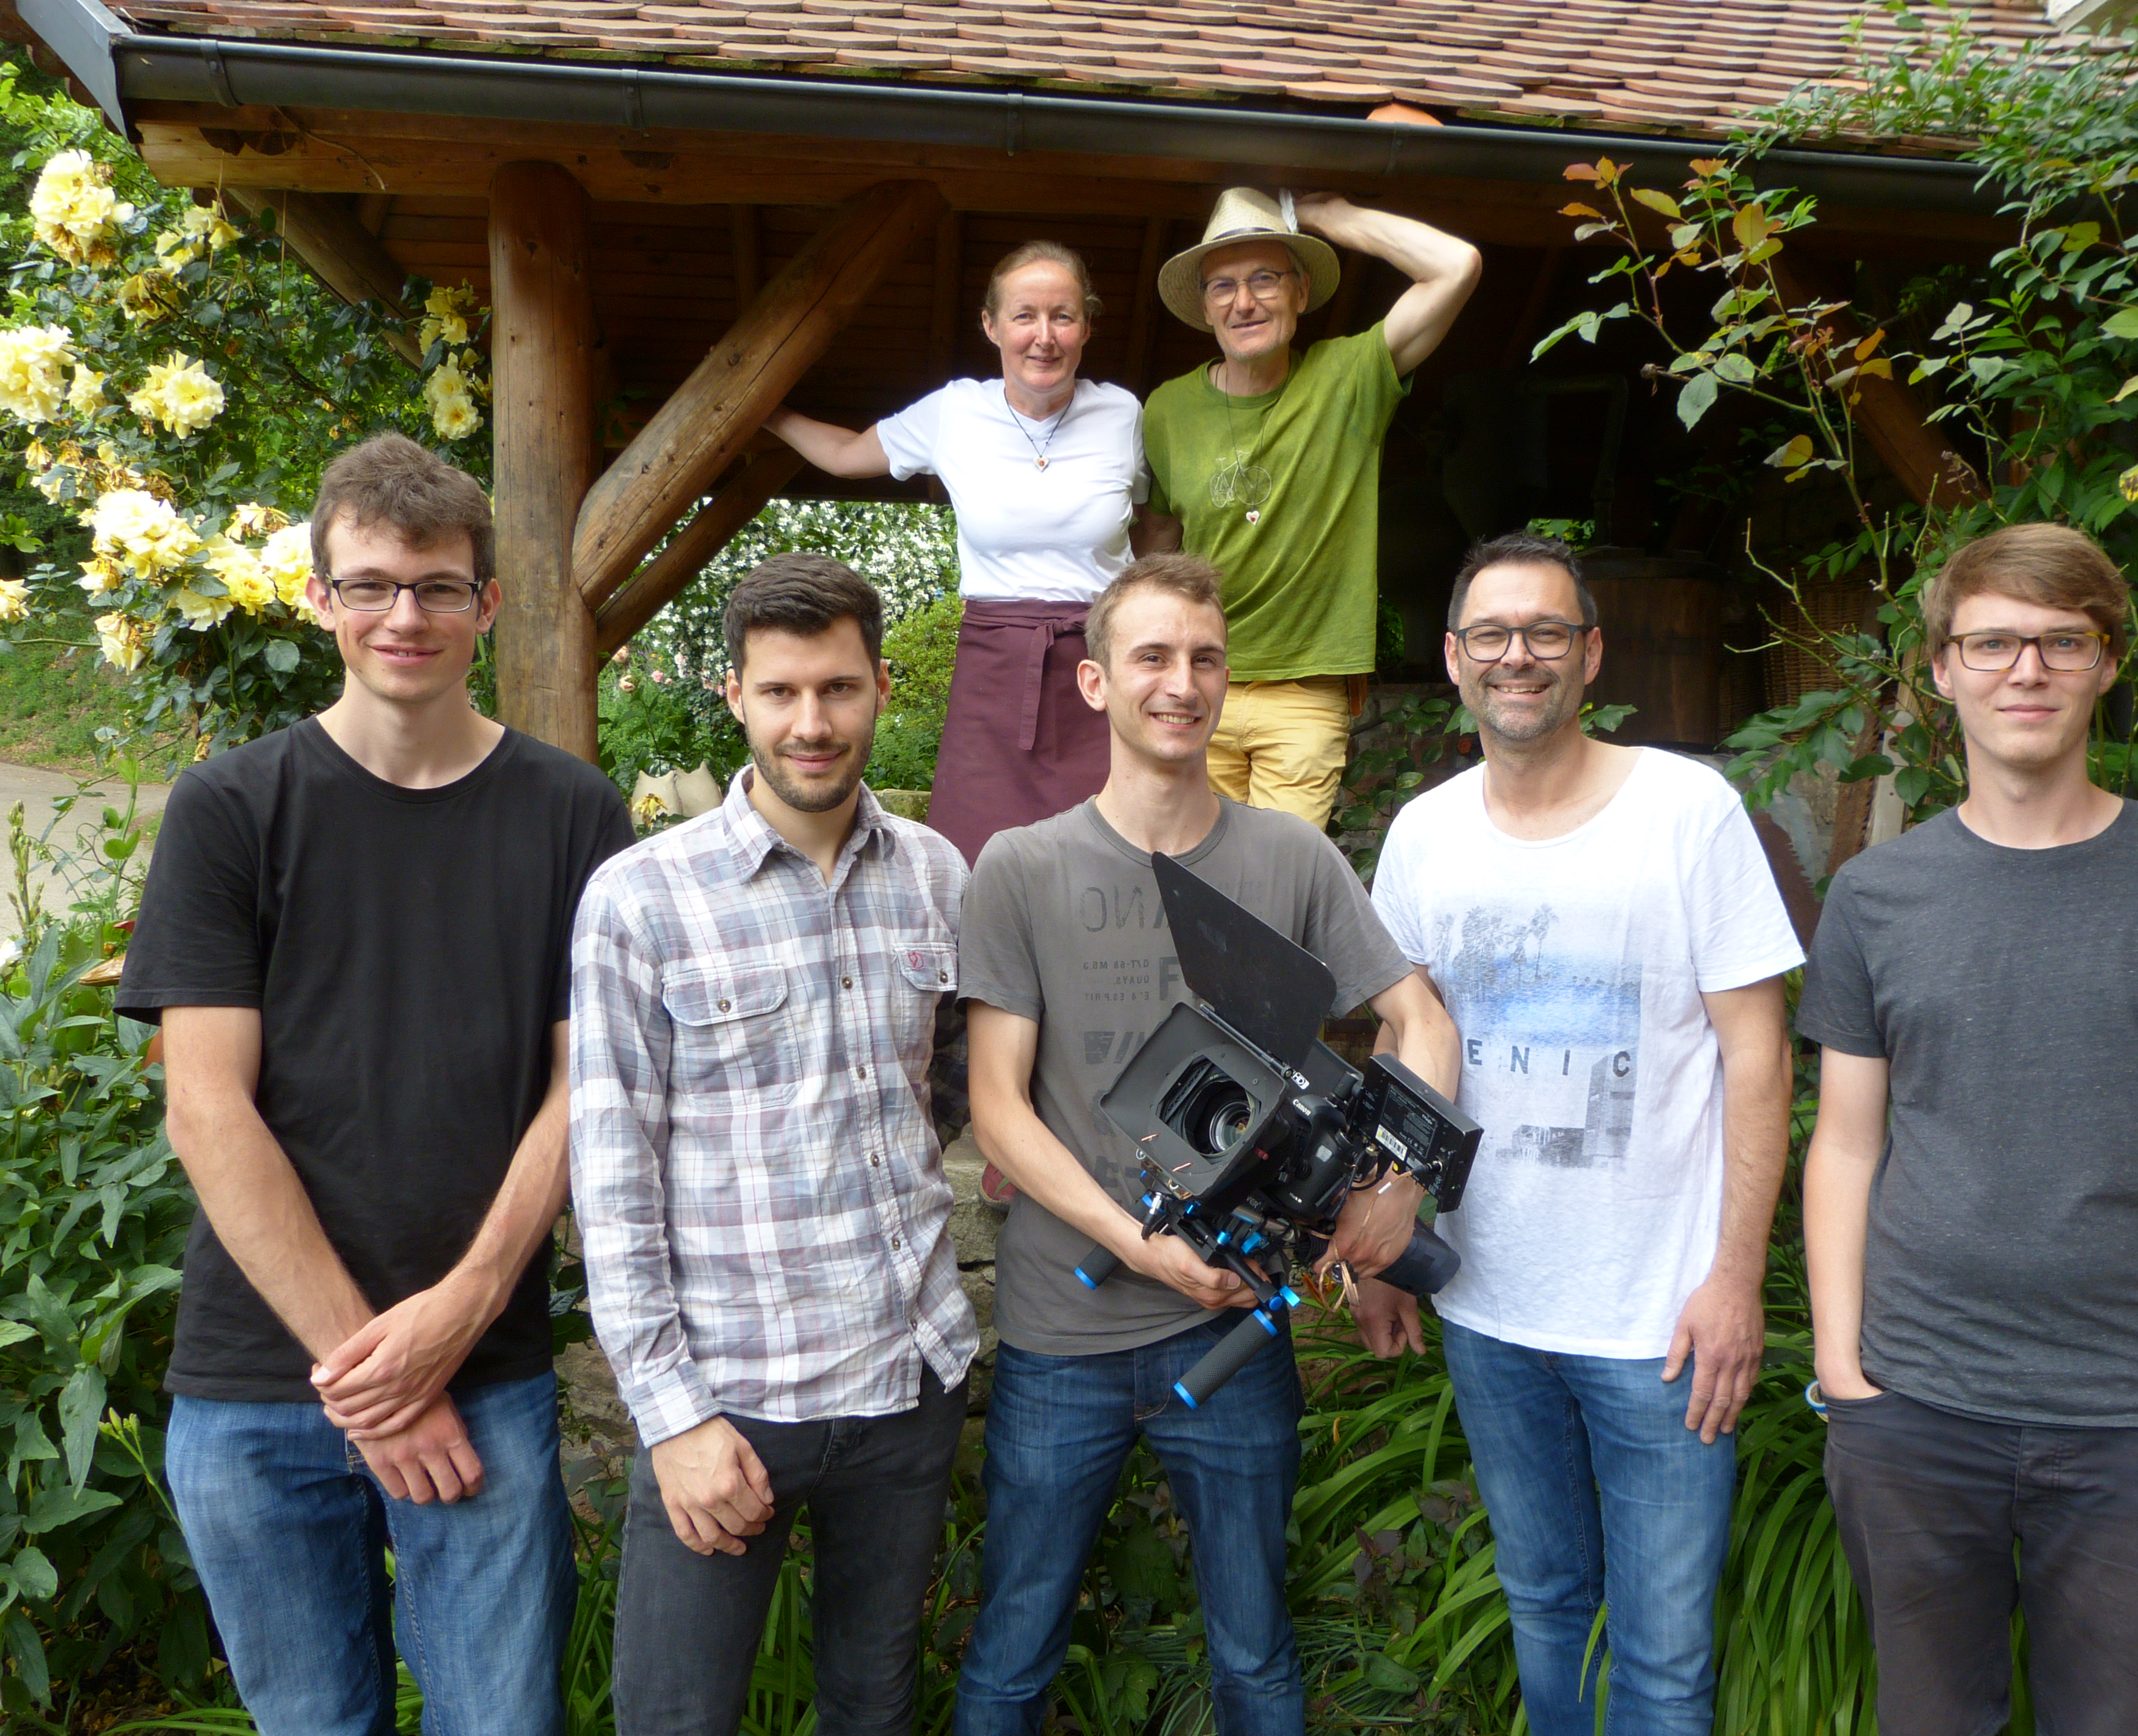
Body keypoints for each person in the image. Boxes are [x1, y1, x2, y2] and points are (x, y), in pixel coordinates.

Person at [117, 433, 633, 1735]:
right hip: (257, 1381)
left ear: (486, 604)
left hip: (483, 1369)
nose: (405, 616)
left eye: (438, 586)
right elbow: (205, 1106)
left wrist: (458, 1312)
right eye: (371, 586)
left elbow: (586, 1087)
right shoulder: (229, 808)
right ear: (321, 597)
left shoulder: (574, 813)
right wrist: (372, 1377)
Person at [1799, 523, 2138, 1735]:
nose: (2024, 671)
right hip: (1916, 1410)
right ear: (1940, 670)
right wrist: (1845, 1378)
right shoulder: (1876, 896)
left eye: (2059, 643)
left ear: (2105, 662)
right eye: (1991, 643)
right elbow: (1846, 1145)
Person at [954, 553, 1461, 1736]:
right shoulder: (1021, 867)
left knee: (1255, 1655)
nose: (1180, 684)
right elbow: (997, 1107)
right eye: (1152, 657)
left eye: (1204, 659)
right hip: (1062, 1334)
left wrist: (1397, 1187)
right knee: (1012, 1655)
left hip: (1234, 1326)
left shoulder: (1290, 857)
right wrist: (1136, 1244)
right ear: (1095, 683)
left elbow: (1421, 1021)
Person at [1362, 533, 1801, 1734]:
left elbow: (1758, 1057)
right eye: (1492, 634)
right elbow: (1405, 1042)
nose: (1520, 656)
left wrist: (1735, 1278)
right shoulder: (1424, 834)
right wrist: (1389, 1244)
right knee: (1546, 1606)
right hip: (1489, 1307)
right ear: (1454, 659)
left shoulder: (1687, 812)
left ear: (1590, 654)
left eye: (1546, 632)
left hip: (1661, 1323)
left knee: (1662, 1657)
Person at [570, 553, 978, 1736]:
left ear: (881, 687)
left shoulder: (936, 875)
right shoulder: (642, 898)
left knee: (873, 1705)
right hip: (731, 1403)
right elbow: (612, 1180)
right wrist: (673, 1417)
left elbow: (948, 1081)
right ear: (735, 695)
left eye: (838, 688)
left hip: (908, 1379)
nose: (812, 723)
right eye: (782, 692)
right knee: (676, 1717)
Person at [768, 240, 1147, 868]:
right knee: (977, 855)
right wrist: (765, 411)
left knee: (1108, 856)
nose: (1044, 337)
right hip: (994, 664)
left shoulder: (1123, 414)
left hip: (1102, 665)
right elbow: (844, 455)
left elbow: (1159, 521)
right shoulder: (954, 411)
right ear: (991, 325)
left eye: (1063, 316)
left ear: (1086, 327)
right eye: (1025, 316)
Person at [1138, 187, 1481, 827]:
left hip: (1306, 688)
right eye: (1223, 286)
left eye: (1265, 278)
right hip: (1196, 682)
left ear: (1300, 291)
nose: (1244, 302)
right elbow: (1156, 545)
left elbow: (1456, 265)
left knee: (1277, 873)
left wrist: (1326, 216)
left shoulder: (1350, 376)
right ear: (1205, 308)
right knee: (1189, 866)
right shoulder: (1166, 409)